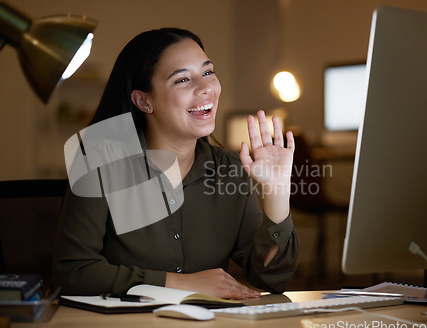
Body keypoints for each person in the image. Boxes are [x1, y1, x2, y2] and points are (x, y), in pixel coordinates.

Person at [53, 28, 298, 300]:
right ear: (144, 101)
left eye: (207, 72)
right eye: (183, 79)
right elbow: (73, 271)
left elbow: (272, 278)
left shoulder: (231, 170)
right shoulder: (99, 163)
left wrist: (276, 192)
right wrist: (180, 283)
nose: (206, 88)